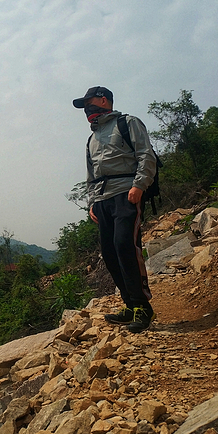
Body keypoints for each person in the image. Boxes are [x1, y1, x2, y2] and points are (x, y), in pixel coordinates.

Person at [73, 86, 157, 333]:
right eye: (85, 106)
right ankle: (130, 305)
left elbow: (146, 155)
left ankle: (142, 307)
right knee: (110, 255)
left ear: (104, 100)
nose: (87, 110)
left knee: (125, 246)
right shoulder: (92, 139)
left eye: (90, 103)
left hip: (126, 194)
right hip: (102, 200)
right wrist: (92, 203)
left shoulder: (127, 123)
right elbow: (91, 175)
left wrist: (139, 185)